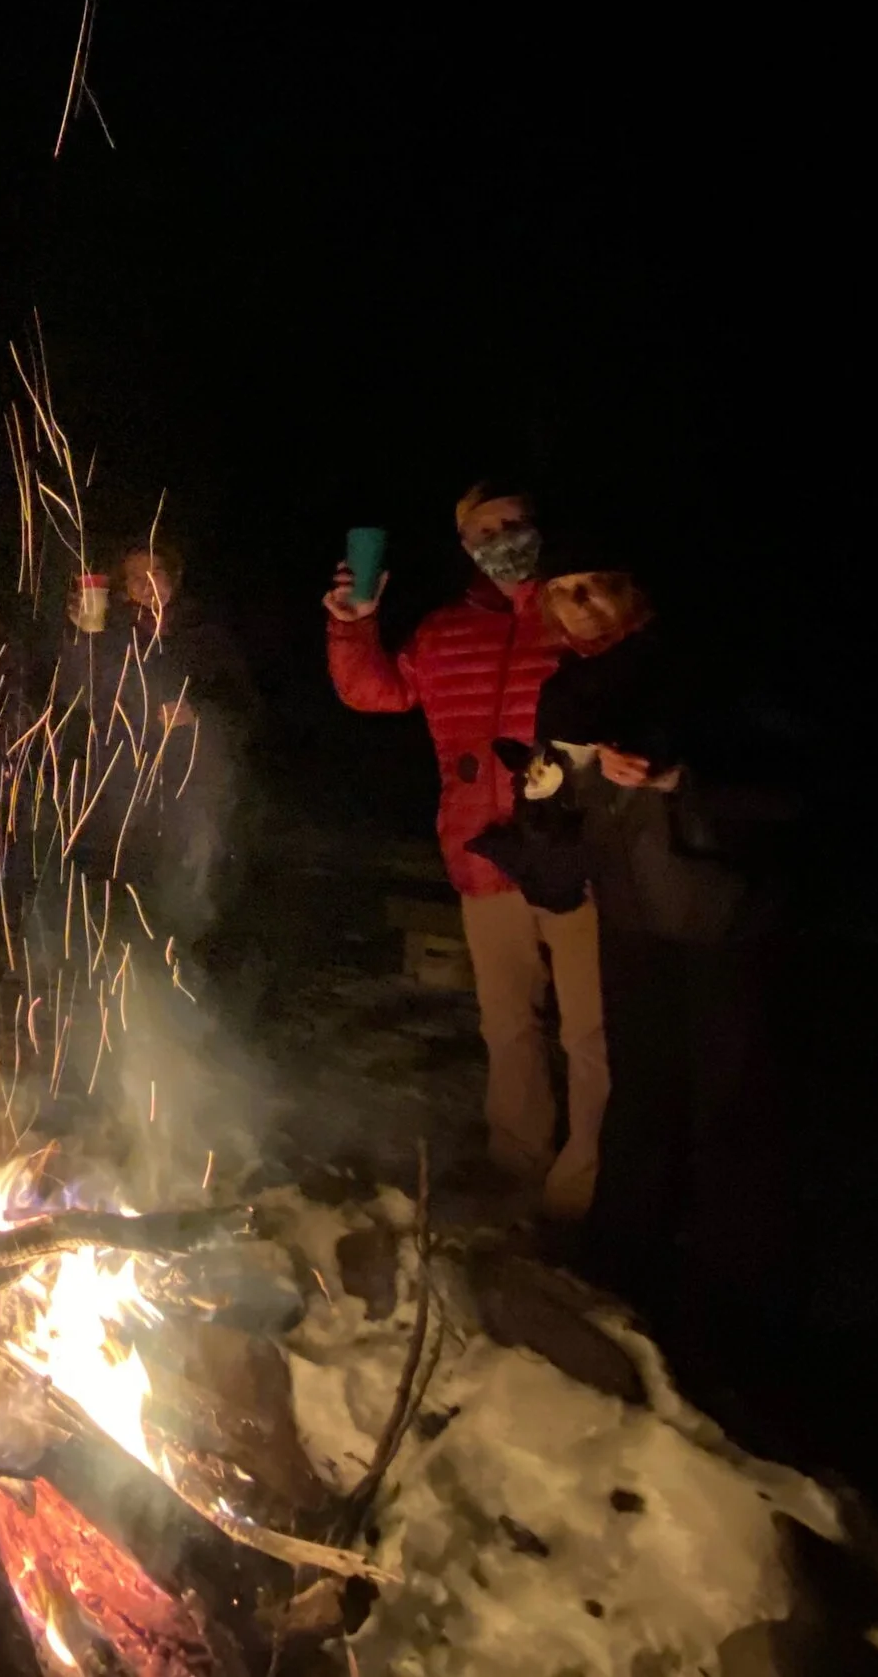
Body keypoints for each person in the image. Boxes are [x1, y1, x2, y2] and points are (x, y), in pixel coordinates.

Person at [531, 548, 801, 1381]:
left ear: (630, 590)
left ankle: (732, 1300)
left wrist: (684, 778)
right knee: (640, 1092)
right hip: (633, 917)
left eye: (592, 587)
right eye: (562, 593)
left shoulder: (707, 671)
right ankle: (621, 1271)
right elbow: (561, 799)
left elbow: (789, 783)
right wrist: (552, 791)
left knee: (730, 1105)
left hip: (723, 917)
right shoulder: (568, 688)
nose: (579, 605)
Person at [324, 482, 608, 1219]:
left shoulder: (578, 612)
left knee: (589, 1031)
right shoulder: (445, 630)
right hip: (482, 855)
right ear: (465, 544)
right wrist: (354, 624)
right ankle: (517, 1168)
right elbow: (376, 692)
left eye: (515, 522)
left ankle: (586, 1186)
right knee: (508, 1025)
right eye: (486, 529)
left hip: (573, 859)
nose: (503, 537)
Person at [73, 540, 256, 945]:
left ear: (173, 577)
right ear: (122, 589)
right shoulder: (108, 636)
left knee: (193, 873)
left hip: (196, 783)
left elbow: (243, 709)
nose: (147, 584)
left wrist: (198, 714)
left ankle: (187, 955)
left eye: (155, 572)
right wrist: (84, 639)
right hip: (127, 784)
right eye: (135, 577)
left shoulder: (205, 637)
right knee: (126, 882)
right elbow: (81, 699)